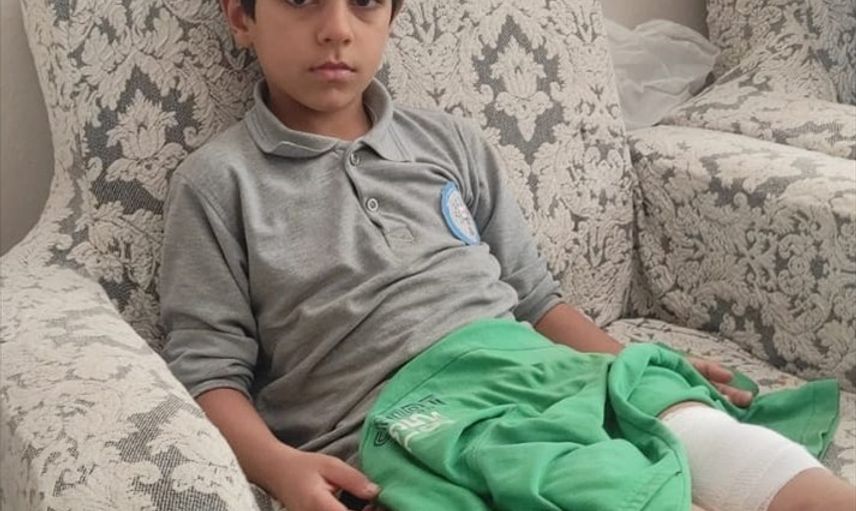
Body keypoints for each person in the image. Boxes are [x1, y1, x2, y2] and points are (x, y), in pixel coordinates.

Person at [158, 1, 855, 510]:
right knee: (594, 483)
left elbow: (536, 297)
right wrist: (280, 468)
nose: (337, 27)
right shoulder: (219, 183)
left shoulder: (447, 142)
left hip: (537, 365)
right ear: (241, 16)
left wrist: (629, 361)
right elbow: (209, 369)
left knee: (687, 415)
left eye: (364, 3)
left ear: (392, 16)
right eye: (302, 0)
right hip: (416, 415)